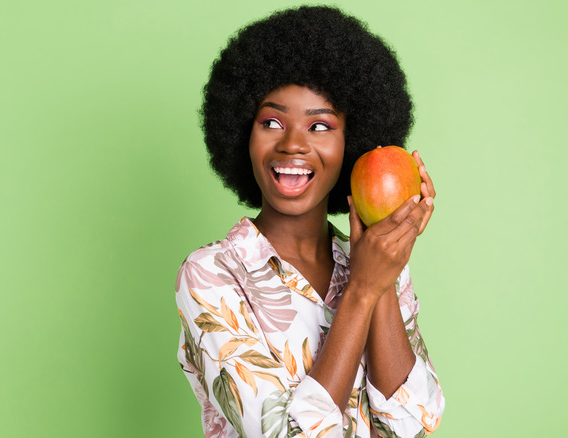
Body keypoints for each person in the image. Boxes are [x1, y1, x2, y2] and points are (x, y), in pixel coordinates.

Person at [175, 6, 445, 438]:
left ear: (351, 144)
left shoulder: (380, 263)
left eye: (319, 125)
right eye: (271, 122)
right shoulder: (211, 275)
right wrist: (361, 290)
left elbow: (410, 426)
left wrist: (379, 269)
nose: (293, 144)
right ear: (243, 134)